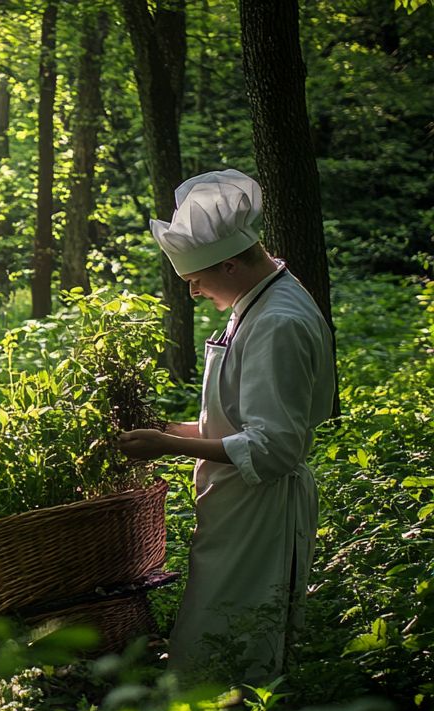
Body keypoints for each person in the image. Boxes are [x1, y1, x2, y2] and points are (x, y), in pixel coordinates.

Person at [118, 169, 336, 683]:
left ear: (231, 264)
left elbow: (273, 448)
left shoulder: (278, 322)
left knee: (234, 647)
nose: (192, 294)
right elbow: (236, 423)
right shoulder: (255, 303)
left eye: (195, 281)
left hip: (261, 514)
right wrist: (164, 430)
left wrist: (167, 446)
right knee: (211, 637)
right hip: (233, 505)